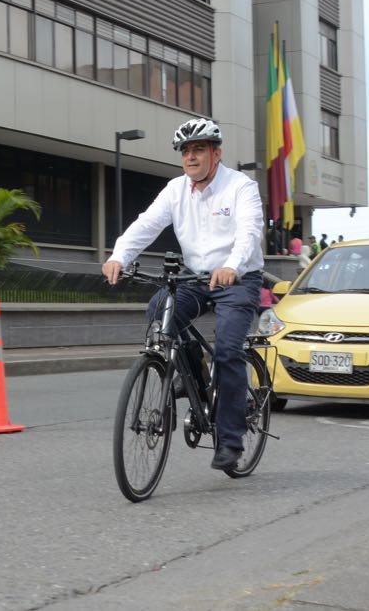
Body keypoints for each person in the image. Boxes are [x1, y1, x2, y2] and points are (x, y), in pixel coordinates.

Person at [101, 117, 264, 473]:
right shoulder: (176, 190)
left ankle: (231, 441)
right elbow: (146, 224)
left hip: (238, 278)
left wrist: (233, 265)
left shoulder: (240, 187)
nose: (191, 157)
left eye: (199, 150)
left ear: (216, 154)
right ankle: (193, 373)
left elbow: (249, 231)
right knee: (160, 310)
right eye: (186, 151)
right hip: (196, 277)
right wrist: (119, 256)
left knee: (227, 349)